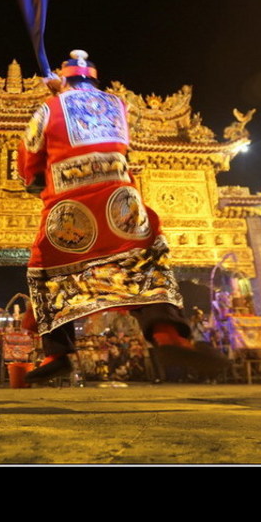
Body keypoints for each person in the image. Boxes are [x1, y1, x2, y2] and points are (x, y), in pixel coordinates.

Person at [17, 50, 224, 383]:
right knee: (143, 261)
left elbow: (29, 158)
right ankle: (169, 336)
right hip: (120, 197)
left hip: (71, 200)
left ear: (64, 79)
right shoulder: (118, 104)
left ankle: (57, 352)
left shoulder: (48, 108)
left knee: (49, 268)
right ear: (94, 80)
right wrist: (62, 94)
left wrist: (34, 175)